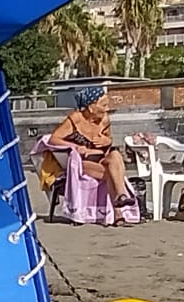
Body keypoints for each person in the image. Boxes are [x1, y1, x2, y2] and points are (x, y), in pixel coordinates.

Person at [44, 85, 138, 221]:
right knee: (110, 173)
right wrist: (75, 146)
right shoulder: (75, 119)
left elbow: (108, 140)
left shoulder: (104, 120)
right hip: (83, 161)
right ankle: (118, 214)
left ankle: (121, 195)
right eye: (103, 105)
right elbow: (53, 139)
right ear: (91, 107)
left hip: (102, 156)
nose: (107, 109)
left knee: (116, 156)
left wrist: (107, 141)